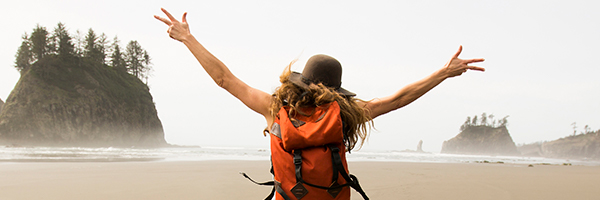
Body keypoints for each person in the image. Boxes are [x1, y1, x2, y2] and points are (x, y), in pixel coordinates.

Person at [155, 8, 484, 200]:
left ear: (299, 81)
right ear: (338, 90)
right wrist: (443, 73)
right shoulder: (347, 114)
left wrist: (188, 38)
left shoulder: (275, 109)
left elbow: (225, 79)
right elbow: (398, 99)